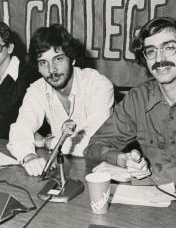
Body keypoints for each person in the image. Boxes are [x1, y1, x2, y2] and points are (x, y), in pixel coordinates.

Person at [85, 17, 176, 186]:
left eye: (169, 47)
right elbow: (94, 146)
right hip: (150, 199)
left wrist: (132, 176)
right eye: (151, 51)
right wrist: (121, 159)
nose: (159, 58)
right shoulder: (137, 98)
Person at [8, 24, 115, 176]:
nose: (52, 70)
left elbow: (93, 143)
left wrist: (46, 142)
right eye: (43, 62)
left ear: (72, 59)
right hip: (67, 169)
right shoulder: (37, 89)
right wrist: (28, 156)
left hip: (105, 172)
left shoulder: (98, 84)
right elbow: (19, 130)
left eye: (58, 59)